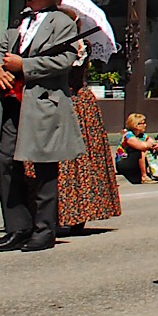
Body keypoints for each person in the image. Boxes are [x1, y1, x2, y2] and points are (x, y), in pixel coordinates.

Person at [0, 0, 88, 251]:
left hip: (43, 106)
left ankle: (44, 230)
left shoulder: (61, 23)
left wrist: (23, 65)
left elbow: (64, 60)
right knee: (5, 164)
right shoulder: (20, 22)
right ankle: (17, 226)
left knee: (44, 168)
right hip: (13, 104)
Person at [53, 62, 123, 233]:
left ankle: (77, 214)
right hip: (71, 101)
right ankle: (64, 214)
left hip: (75, 103)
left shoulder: (77, 49)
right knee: (67, 161)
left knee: (79, 159)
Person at [116, 113, 158, 183]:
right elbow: (142, 146)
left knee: (154, 150)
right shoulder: (128, 136)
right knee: (142, 151)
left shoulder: (143, 135)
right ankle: (144, 177)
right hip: (124, 163)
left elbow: (155, 142)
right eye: (143, 123)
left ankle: (157, 173)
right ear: (136, 125)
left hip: (135, 162)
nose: (145, 125)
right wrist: (151, 144)